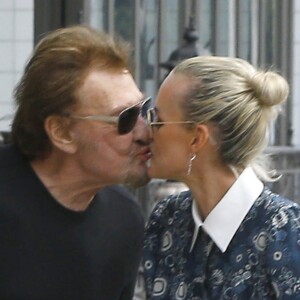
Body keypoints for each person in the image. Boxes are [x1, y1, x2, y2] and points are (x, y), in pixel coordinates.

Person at [0, 25, 151, 300]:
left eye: (143, 110)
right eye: (125, 118)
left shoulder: (124, 219)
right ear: (61, 132)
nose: (145, 132)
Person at [141, 56, 300, 299]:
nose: (145, 131)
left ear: (197, 138)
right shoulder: (166, 220)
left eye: (157, 120)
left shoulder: (285, 231)